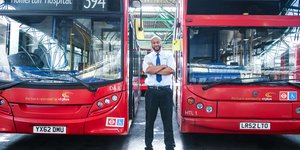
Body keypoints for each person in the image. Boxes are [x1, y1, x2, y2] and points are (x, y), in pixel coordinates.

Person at [142, 36, 176, 150]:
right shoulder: (147, 57)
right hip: (151, 92)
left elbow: (171, 70)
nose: (156, 44)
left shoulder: (169, 55)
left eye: (158, 42)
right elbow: (148, 70)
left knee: (167, 120)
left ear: (161, 43)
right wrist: (162, 66)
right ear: (151, 45)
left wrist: (154, 68)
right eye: (154, 43)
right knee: (149, 120)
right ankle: (148, 144)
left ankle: (170, 145)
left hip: (166, 91)